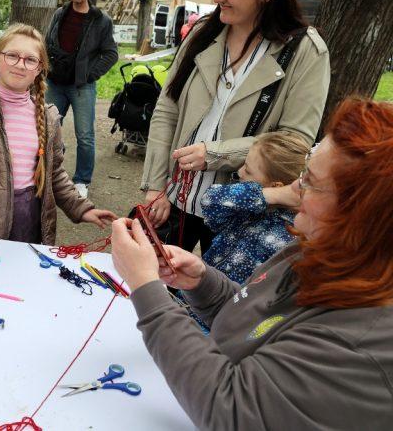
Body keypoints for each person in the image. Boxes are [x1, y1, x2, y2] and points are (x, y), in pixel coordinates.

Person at [111, 98, 393, 429]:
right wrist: (203, 284)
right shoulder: (321, 248)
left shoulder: (361, 343)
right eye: (304, 173)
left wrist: (146, 288)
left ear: (362, 216)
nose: (296, 188)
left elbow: (231, 409)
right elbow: (260, 323)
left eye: (312, 182)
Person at [141, 0, 330, 253]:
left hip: (244, 211)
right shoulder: (203, 32)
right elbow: (166, 109)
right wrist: (155, 186)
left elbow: (295, 142)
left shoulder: (306, 51)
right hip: (175, 201)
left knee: (217, 298)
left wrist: (215, 153)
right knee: (153, 291)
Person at [0, 24, 116, 244]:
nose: (20, 65)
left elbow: (54, 174)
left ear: (39, 68)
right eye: (12, 56)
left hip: (30, 221)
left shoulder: (47, 117)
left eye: (30, 60)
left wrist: (81, 209)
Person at [199, 131, 309, 284]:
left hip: (223, 304)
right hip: (196, 292)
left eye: (248, 170)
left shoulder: (289, 238)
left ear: (276, 185)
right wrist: (272, 195)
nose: (239, 172)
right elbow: (209, 201)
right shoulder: (249, 204)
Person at [45, 0, 119, 199]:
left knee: (84, 135)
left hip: (81, 86)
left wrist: (89, 74)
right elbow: (48, 42)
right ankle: (48, 173)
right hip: (55, 83)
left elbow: (111, 54)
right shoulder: (60, 14)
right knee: (48, 130)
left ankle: (81, 180)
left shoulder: (100, 20)